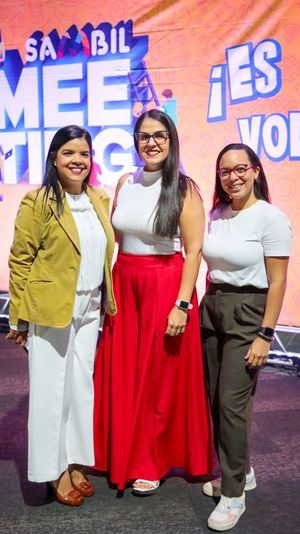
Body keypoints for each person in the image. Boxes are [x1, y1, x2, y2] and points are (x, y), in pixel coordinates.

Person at [93, 109, 213, 493]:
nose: (152, 143)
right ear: (135, 141)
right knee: (124, 374)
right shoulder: (126, 181)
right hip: (125, 284)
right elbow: (115, 240)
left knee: (158, 379)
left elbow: (193, 252)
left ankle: (152, 461)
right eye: (144, 136)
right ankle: (119, 453)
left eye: (159, 135)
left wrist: (182, 305)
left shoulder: (184, 187)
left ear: (171, 139)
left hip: (165, 287)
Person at [6, 125, 116, 506]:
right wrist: (17, 318)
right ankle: (50, 471)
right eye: (69, 153)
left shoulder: (100, 199)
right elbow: (20, 260)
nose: (77, 161)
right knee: (51, 392)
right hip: (51, 308)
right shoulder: (37, 201)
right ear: (54, 157)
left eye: (84, 154)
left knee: (80, 388)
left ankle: (74, 460)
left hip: (89, 309)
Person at [199, 143, 292, 531]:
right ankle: (243, 472)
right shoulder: (217, 214)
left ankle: (233, 494)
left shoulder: (270, 218)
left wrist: (264, 335)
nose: (232, 177)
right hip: (213, 308)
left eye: (240, 169)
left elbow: (279, 281)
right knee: (215, 403)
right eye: (224, 171)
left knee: (232, 404)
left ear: (255, 170)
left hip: (249, 313)